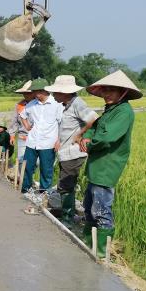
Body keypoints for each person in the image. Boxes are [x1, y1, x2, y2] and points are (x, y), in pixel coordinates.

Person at [79, 70, 141, 258]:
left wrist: (90, 145)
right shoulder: (110, 110)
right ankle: (88, 243)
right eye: (104, 91)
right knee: (89, 206)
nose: (106, 95)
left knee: (101, 210)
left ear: (123, 92)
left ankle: (101, 252)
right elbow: (95, 127)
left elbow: (107, 139)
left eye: (111, 91)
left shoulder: (124, 112)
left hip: (107, 167)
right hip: (96, 166)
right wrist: (87, 137)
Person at [45, 75, 98, 222]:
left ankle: (67, 219)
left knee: (66, 185)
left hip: (73, 154)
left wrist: (82, 135)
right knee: (64, 185)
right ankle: (67, 215)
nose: (53, 95)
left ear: (65, 92)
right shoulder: (67, 105)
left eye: (56, 92)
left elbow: (93, 119)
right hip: (65, 152)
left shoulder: (77, 103)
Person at [20, 78, 62, 193]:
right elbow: (22, 115)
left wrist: (59, 140)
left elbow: (61, 124)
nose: (35, 94)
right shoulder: (31, 104)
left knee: (46, 170)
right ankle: (25, 190)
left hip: (48, 143)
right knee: (28, 167)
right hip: (32, 142)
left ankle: (44, 193)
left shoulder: (57, 104)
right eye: (34, 92)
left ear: (45, 90)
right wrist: (27, 126)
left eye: (38, 92)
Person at [8, 80, 35, 162]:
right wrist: (12, 135)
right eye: (24, 93)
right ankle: (22, 174)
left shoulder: (39, 105)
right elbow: (14, 121)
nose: (26, 95)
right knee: (21, 160)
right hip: (22, 136)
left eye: (28, 93)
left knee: (36, 162)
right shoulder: (19, 105)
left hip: (36, 138)